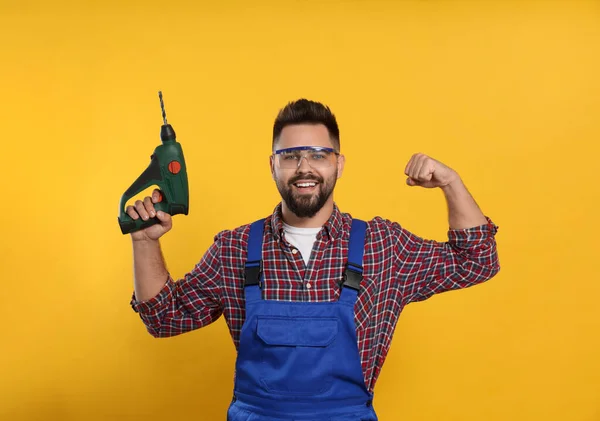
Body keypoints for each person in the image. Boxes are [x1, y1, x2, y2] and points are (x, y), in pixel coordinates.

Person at [126, 99, 500, 421]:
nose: (305, 167)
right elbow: (164, 319)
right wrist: (144, 241)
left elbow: (477, 260)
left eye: (319, 155)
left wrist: (451, 182)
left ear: (339, 164)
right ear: (272, 164)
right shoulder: (234, 248)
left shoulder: (382, 246)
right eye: (290, 156)